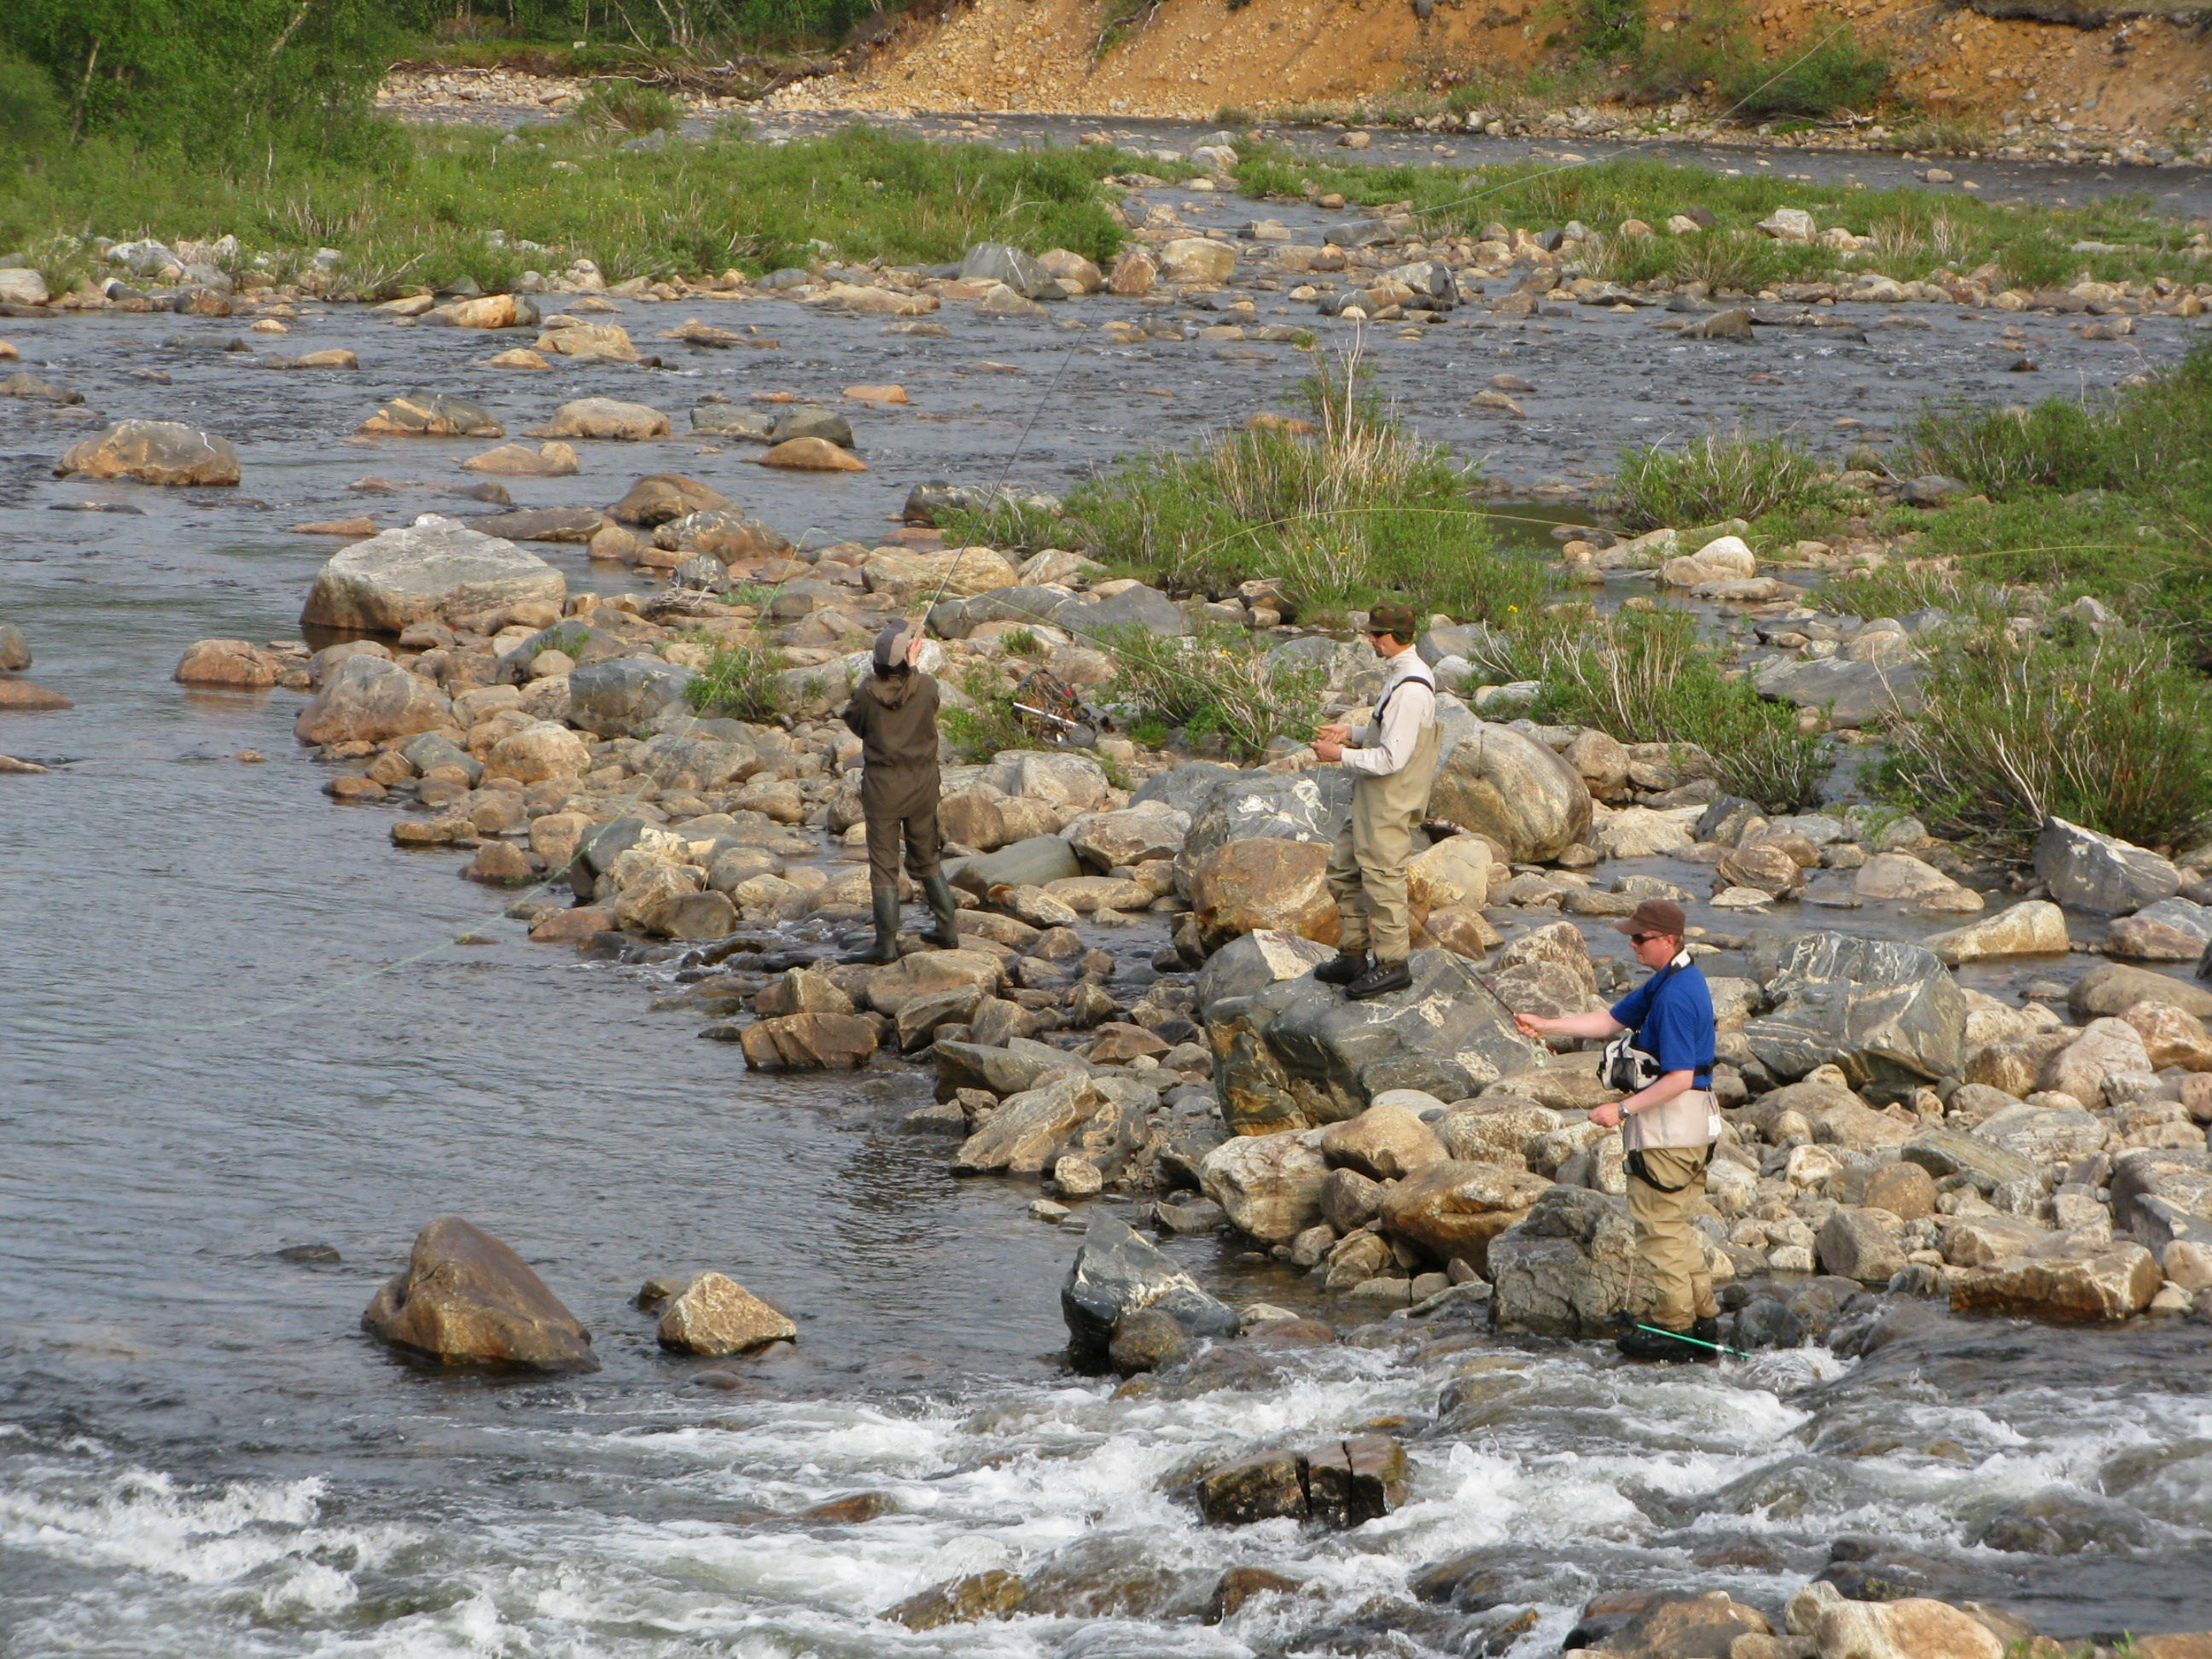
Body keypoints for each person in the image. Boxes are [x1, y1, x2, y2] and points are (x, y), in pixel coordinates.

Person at [1512, 899, 1723, 1363]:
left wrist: (1621, 1110)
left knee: (1658, 1230)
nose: (1632, 944)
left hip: (1672, 1133)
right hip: (1694, 1129)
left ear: (1668, 940)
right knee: (1676, 1226)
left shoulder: (1675, 997)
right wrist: (1547, 1024)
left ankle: (1677, 1329)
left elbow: (1680, 1077)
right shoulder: (1674, 977)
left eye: (1640, 938)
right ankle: (1703, 1320)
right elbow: (1610, 1021)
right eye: (1631, 936)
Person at [1311, 601, 1440, 1003]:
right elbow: (1388, 736)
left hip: (1391, 801)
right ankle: (1352, 956)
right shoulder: (1400, 676)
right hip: (1373, 798)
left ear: (1397, 637)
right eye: (1371, 632)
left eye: (1377, 634)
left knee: (1384, 880)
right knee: (1345, 868)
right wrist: (1350, 731)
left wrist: (1339, 756)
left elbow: (1391, 758)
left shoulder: (1412, 690)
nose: (1370, 640)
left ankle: (1392, 966)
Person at [840, 620, 960, 965]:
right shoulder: (927, 686)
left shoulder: (865, 692)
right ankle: (947, 930)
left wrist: (904, 663)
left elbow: (856, 723)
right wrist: (914, 666)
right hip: (923, 785)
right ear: (907, 658)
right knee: (927, 859)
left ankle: (886, 946)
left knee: (884, 867)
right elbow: (924, 701)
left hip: (883, 789)